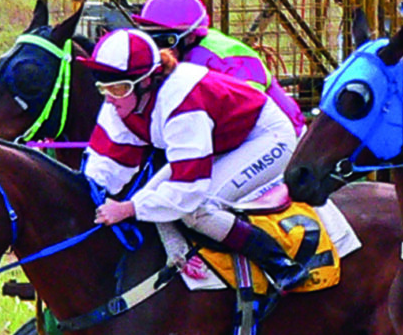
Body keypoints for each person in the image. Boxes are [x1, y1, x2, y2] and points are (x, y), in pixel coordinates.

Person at [80, 27, 319, 285]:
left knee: (199, 209)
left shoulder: (181, 102)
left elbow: (189, 190)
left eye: (119, 88)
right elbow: (103, 166)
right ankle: (178, 255)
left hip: (264, 137)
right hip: (217, 139)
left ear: (147, 81)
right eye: (104, 88)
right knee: (148, 196)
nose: (110, 98)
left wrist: (127, 209)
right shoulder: (120, 101)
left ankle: (281, 265)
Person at [135, 0, 305, 130]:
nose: (155, 49)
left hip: (276, 134)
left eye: (164, 40)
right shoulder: (178, 56)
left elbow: (248, 108)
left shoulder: (228, 57)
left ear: (190, 37)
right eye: (148, 39)